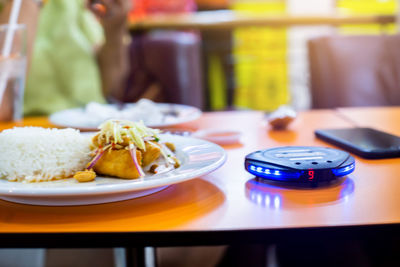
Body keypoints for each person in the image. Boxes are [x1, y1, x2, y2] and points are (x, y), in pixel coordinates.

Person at [0, 0, 132, 116]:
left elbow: (108, 87)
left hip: (87, 124)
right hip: (28, 129)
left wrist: (115, 27)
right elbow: (4, 104)